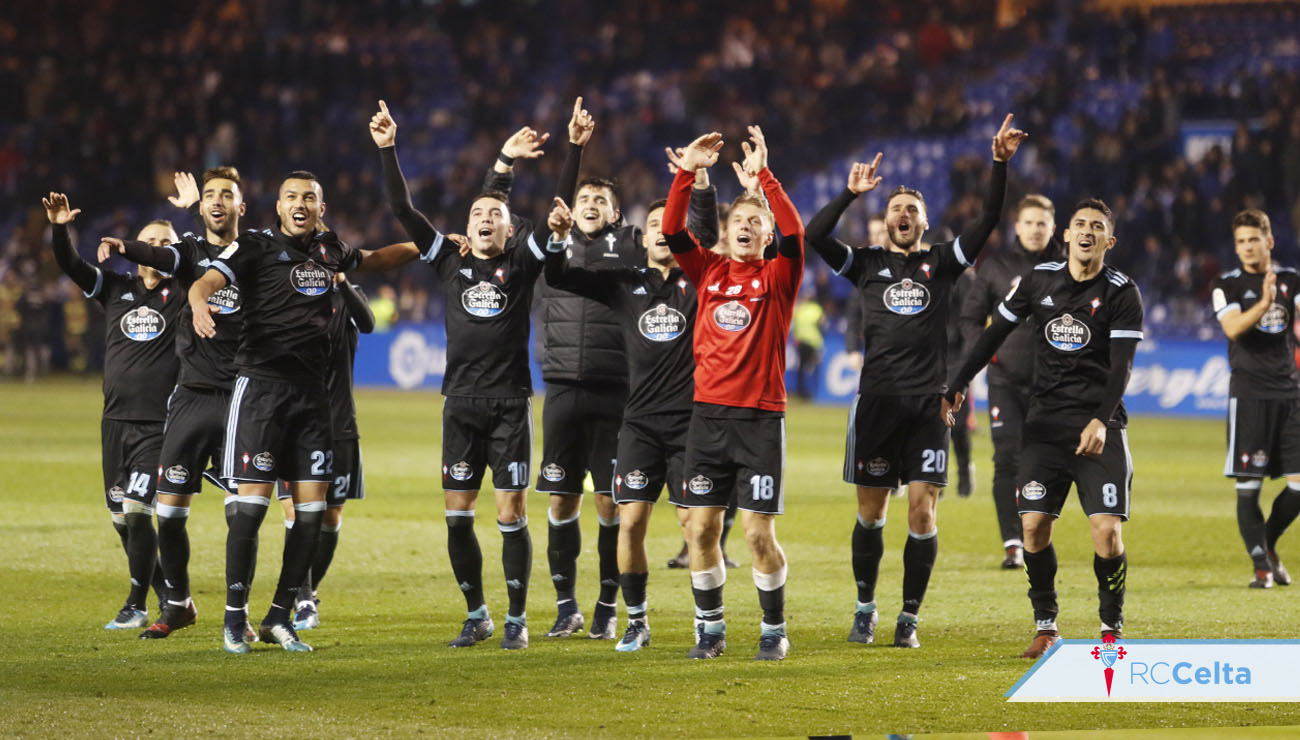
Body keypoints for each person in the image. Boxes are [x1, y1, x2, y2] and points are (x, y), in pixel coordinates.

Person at [804, 114, 1024, 648]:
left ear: (925, 223)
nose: (903, 214)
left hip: (929, 404)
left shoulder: (942, 263)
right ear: (885, 221)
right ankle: (864, 607)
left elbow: (989, 218)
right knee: (872, 513)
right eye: (896, 209)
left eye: (913, 210)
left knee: (922, 512)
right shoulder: (866, 263)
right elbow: (814, 235)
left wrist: (998, 164)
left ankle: (908, 617)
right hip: (876, 401)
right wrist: (850, 195)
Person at [187, 168, 417, 654]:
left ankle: (278, 616)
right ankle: (233, 620)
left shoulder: (331, 249)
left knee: (310, 514)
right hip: (262, 392)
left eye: (309, 197)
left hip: (313, 397)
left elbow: (376, 258)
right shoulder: (254, 246)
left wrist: (427, 245)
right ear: (277, 206)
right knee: (248, 511)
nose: (300, 203)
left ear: (321, 208)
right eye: (290, 195)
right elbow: (205, 282)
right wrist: (199, 305)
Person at [371, 100, 549, 650]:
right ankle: (478, 613)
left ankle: (516, 618)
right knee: (457, 516)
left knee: (511, 512)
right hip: (460, 404)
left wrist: (505, 166)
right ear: (465, 230)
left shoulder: (519, 265)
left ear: (509, 227)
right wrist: (387, 149)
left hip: (509, 403)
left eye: (494, 214)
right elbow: (402, 207)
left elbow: (526, 214)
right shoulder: (448, 260)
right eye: (476, 215)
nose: (485, 217)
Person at [945, 198, 1143, 658]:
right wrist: (957, 382)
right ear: (1068, 235)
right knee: (1032, 527)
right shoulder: (1038, 280)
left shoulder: (1121, 292)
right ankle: (1046, 624)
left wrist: (1100, 418)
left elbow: (1122, 368)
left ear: (1108, 241)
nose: (1087, 231)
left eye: (1097, 226)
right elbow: (993, 331)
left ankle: (1111, 626)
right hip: (1045, 425)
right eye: (1080, 224)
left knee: (1107, 534)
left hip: (1100, 426)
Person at [541, 184, 712, 651]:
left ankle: (706, 623)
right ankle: (636, 621)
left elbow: (713, 234)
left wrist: (700, 187)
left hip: (690, 424)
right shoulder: (623, 282)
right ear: (644, 236)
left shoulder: (701, 281)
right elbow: (560, 277)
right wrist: (556, 238)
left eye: (669, 225)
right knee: (629, 521)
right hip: (638, 423)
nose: (660, 231)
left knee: (694, 527)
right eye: (654, 225)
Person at [664, 126, 803, 661]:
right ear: (724, 233)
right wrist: (687, 172)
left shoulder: (779, 275)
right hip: (708, 420)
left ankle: (773, 629)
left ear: (767, 235)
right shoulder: (708, 270)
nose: (747, 227)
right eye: (738, 221)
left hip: (760, 420)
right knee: (701, 528)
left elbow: (797, 233)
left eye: (756, 222)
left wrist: (765, 180)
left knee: (756, 536)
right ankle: (711, 628)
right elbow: (674, 228)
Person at [99, 167, 249, 638]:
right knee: (168, 511)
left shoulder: (259, 253)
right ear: (201, 206)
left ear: (242, 206)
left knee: (244, 510)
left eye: (227, 194)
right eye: (209, 195)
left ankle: (238, 616)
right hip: (188, 397)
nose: (218, 201)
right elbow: (160, 253)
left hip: (240, 395)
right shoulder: (187, 254)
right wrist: (125, 246)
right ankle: (178, 603)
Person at [44, 193, 178, 630]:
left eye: (165, 241)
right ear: (135, 249)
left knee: (139, 509)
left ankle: (136, 604)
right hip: (114, 423)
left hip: (158, 425)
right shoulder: (116, 288)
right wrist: (61, 229)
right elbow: (71, 265)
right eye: (149, 240)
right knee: (124, 521)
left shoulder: (182, 294)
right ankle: (172, 599)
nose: (156, 247)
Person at [960, 194, 1062, 569]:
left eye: (1042, 223)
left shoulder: (1068, 267)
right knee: (1006, 459)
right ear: (1016, 226)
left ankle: (1039, 535)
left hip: (1055, 385)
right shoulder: (997, 267)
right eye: (1029, 222)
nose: (1035, 230)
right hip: (1006, 380)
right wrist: (988, 352)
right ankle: (1013, 543)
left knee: (1046, 462)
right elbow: (970, 319)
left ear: (1053, 227)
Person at [1211, 209, 1300, 588]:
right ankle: (1261, 567)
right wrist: (1263, 304)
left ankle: (1268, 543)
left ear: (1269, 241)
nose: (1247, 247)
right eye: (1241, 242)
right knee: (1249, 486)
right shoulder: (1226, 285)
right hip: (1248, 395)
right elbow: (1232, 328)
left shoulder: (1293, 280)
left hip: (1290, 393)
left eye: (1254, 239)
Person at [288, 270, 375, 630]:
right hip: (292, 421)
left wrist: (342, 281)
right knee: (297, 514)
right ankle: (304, 598)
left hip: (339, 424)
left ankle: (307, 590)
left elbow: (368, 323)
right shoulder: (286, 296)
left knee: (330, 517)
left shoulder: (347, 297)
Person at [792, 293, 825, 401]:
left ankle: (800, 392)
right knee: (815, 368)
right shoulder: (817, 309)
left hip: (801, 342)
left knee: (801, 368)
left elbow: (795, 325)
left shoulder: (800, 310)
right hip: (814, 343)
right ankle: (815, 392)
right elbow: (822, 322)